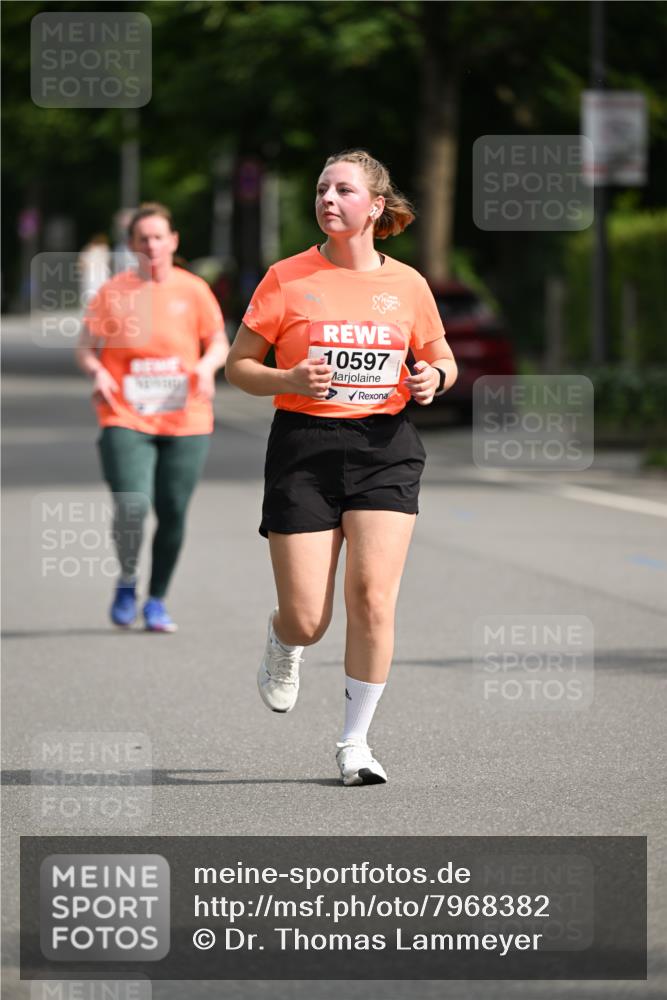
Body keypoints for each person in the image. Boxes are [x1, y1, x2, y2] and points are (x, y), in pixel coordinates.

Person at [225, 150, 457, 785]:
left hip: (387, 446)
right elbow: (238, 366)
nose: (328, 198)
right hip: (305, 446)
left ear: (375, 207)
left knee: (373, 598)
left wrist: (433, 377)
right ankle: (283, 642)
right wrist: (288, 376)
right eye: (322, 188)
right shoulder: (286, 279)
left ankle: (355, 743)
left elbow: (442, 358)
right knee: (309, 617)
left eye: (343, 190)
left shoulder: (407, 284)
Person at [76, 202, 230, 631]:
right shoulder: (113, 292)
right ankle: (127, 579)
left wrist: (205, 367)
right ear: (131, 245)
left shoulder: (194, 289)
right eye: (143, 238)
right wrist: (98, 372)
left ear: (173, 241)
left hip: (186, 417)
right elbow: (86, 348)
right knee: (133, 505)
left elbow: (218, 341)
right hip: (125, 413)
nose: (152, 245)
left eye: (159, 237)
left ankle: (157, 599)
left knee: (174, 509)